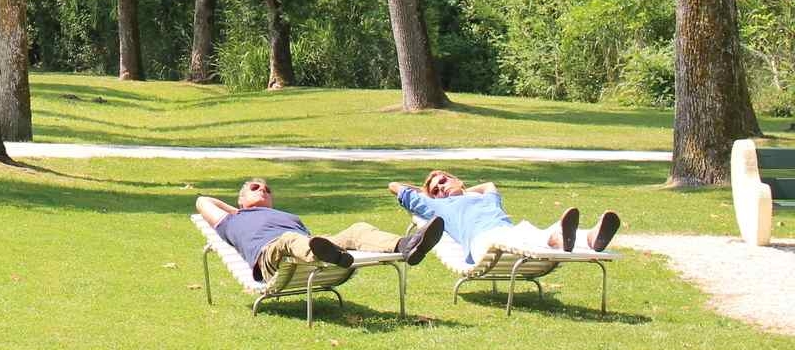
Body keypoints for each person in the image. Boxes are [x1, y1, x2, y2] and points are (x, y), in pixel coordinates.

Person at [196, 178, 445, 282]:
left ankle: (407, 246)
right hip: (269, 256)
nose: (263, 189)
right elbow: (202, 201)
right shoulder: (231, 221)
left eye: (267, 189)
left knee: (357, 230)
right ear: (241, 199)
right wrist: (236, 211)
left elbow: (308, 239)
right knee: (290, 238)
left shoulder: (286, 216)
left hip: (304, 246)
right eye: (254, 187)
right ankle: (331, 255)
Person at [389, 170, 621, 263]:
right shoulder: (436, 207)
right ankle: (557, 240)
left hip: (511, 235)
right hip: (483, 243)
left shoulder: (485, 199)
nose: (441, 188)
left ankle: (590, 237)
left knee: (528, 230)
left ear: (456, 179)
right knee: (528, 233)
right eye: (436, 190)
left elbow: (490, 185)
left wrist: (463, 190)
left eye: (443, 181)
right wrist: (426, 193)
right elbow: (395, 185)